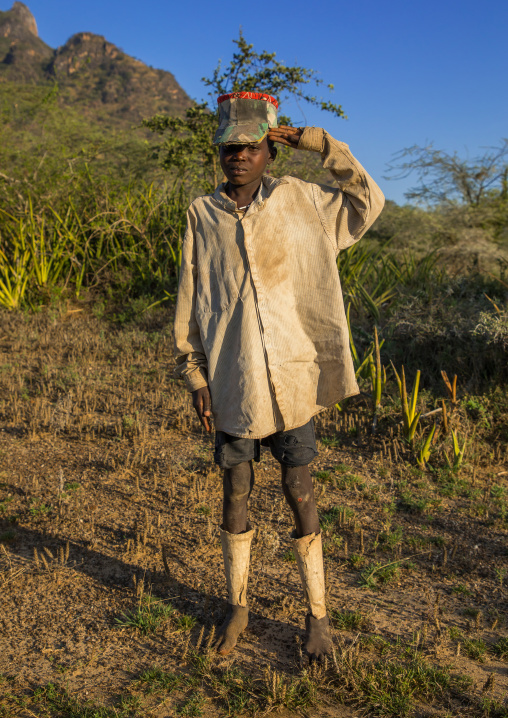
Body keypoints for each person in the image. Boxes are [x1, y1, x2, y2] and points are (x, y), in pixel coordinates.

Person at [174, 91, 385, 660]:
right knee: (235, 489)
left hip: (293, 382)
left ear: (271, 150)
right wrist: (196, 379)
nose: (237, 155)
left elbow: (368, 200)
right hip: (233, 380)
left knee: (300, 490)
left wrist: (320, 144)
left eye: (250, 145)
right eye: (229, 146)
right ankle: (237, 606)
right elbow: (190, 304)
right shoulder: (202, 215)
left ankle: (317, 616)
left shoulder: (304, 201)